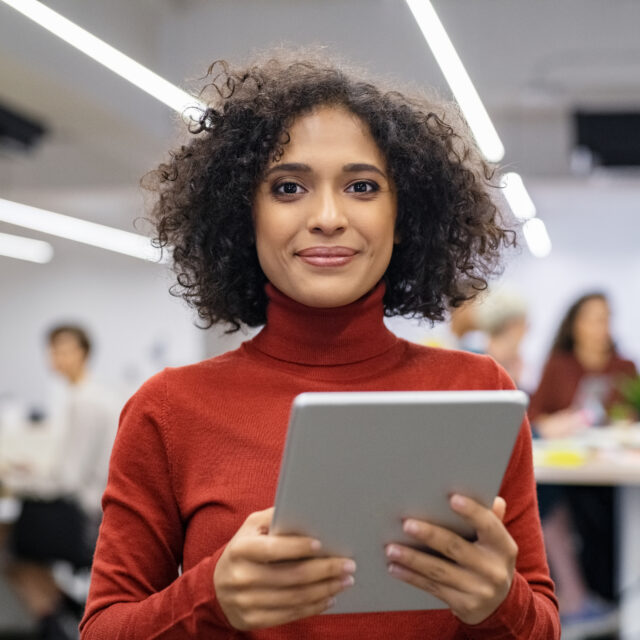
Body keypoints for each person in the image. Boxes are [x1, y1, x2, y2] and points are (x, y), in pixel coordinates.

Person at [79, 54, 560, 639]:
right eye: (288, 188)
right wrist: (211, 598)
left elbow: (541, 627)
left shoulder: (478, 392)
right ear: (245, 214)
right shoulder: (169, 410)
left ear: (402, 215)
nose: (327, 217)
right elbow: (104, 629)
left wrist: (499, 603)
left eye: (362, 186)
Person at [529, 293, 637, 637]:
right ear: (575, 324)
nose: (599, 327)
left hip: (616, 470)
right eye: (591, 318)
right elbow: (534, 420)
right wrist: (557, 423)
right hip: (570, 471)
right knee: (573, 507)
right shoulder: (558, 366)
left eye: (605, 318)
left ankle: (614, 600)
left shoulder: (624, 367)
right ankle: (584, 601)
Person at [4, 325, 119, 639]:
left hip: (79, 516)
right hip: (85, 511)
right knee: (16, 554)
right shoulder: (81, 397)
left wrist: (15, 480)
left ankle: (59, 622)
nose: (56, 357)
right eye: (53, 350)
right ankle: (65, 614)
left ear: (84, 353)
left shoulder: (84, 402)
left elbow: (67, 480)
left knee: (13, 557)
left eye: (64, 349)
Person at [475, 289, 528, 386]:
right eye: (524, 324)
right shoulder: (477, 360)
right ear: (512, 325)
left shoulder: (518, 365)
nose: (527, 330)